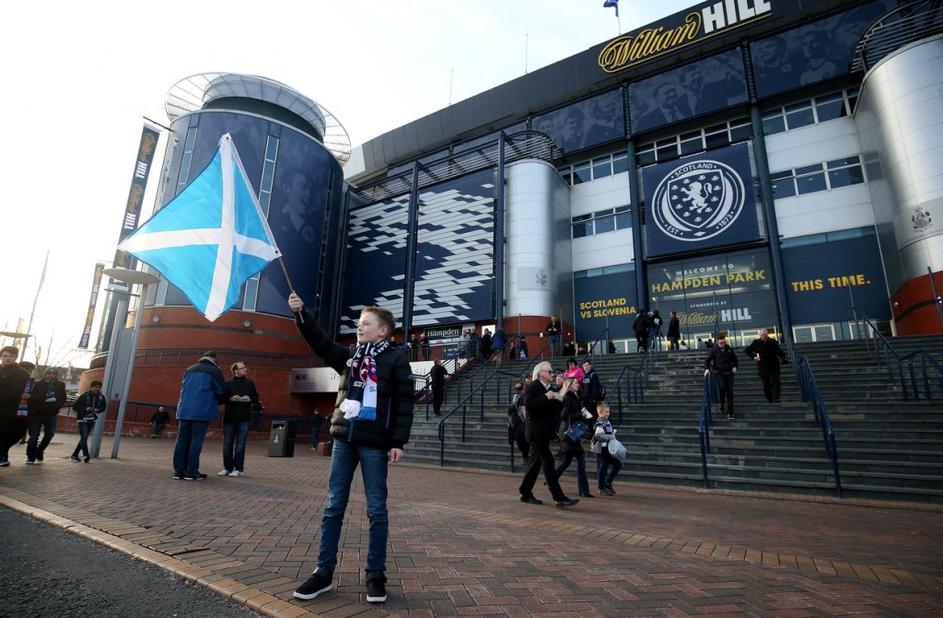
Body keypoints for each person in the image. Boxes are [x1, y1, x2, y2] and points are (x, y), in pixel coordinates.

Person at [288, 293, 413, 604]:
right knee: (333, 507)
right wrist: (301, 314)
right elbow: (320, 343)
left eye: (365, 324)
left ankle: (375, 574)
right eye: (358, 324)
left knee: (376, 510)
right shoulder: (350, 356)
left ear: (384, 330)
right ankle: (323, 572)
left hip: (375, 443)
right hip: (344, 439)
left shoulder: (396, 359)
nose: (359, 328)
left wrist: (397, 441)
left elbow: (403, 405)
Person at [517, 361, 579, 508]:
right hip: (536, 433)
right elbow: (530, 404)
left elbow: (553, 410)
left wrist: (560, 397)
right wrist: (548, 396)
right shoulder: (533, 386)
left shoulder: (548, 388)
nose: (552, 374)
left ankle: (525, 492)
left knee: (535, 463)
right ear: (541, 373)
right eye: (549, 372)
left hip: (543, 432)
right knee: (548, 462)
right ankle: (559, 497)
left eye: (552, 372)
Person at [172, 351, 225, 481]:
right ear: (214, 359)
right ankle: (191, 471)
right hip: (201, 411)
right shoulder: (214, 371)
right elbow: (221, 391)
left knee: (181, 440)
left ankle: (179, 471)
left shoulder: (189, 369)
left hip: (184, 410)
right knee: (196, 441)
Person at [218, 361, 259, 477]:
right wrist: (230, 398)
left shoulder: (250, 383)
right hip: (229, 418)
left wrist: (249, 399)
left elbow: (256, 397)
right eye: (242, 368)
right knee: (227, 444)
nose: (245, 369)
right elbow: (220, 398)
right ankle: (227, 468)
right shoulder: (227, 383)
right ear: (236, 370)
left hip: (244, 418)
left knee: (240, 445)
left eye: (245, 367)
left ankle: (238, 469)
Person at [555, 378, 594, 498]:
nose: (578, 384)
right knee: (580, 459)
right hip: (569, 434)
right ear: (570, 385)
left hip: (572, 434)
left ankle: (551, 479)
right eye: (576, 383)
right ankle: (584, 490)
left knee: (566, 461)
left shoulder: (575, 396)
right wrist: (581, 414)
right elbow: (564, 415)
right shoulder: (568, 397)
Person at [26, 367, 65, 464]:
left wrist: (57, 406)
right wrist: (42, 400)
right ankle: (30, 457)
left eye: (54, 374)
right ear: (45, 374)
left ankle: (40, 451)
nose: (51, 375)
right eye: (49, 373)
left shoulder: (60, 385)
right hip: (36, 414)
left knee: (50, 434)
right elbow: (32, 398)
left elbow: (63, 398)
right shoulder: (37, 384)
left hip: (51, 414)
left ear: (56, 375)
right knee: (34, 436)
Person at [0, 347, 30, 468]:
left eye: (11, 356)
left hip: (8, 411)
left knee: (12, 435)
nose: (7, 358)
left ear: (16, 357)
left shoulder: (20, 373)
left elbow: (14, 393)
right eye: (5, 355)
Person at [744, 329, 788, 404]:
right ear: (759, 335)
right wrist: (754, 356)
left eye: (765, 334)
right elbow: (747, 350)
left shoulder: (773, 342)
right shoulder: (756, 342)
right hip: (763, 366)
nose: (764, 336)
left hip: (774, 365)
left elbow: (778, 351)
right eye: (762, 335)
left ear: (767, 334)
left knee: (776, 381)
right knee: (766, 383)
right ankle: (770, 399)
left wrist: (783, 356)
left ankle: (776, 398)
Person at [70, 380, 106, 463]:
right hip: (82, 419)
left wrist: (98, 410)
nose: (97, 389)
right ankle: (86, 455)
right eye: (95, 387)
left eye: (99, 387)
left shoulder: (101, 397)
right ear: (91, 387)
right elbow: (75, 407)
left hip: (92, 419)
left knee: (84, 437)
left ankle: (74, 455)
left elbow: (103, 407)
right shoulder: (84, 396)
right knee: (85, 436)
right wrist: (86, 408)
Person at [704, 336, 738, 420]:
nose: (722, 344)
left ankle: (730, 412)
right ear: (717, 343)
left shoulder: (730, 349)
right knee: (722, 388)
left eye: (724, 342)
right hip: (719, 373)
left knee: (730, 391)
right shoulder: (714, 350)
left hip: (729, 372)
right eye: (720, 343)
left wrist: (735, 367)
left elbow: (735, 360)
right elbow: (707, 360)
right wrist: (706, 369)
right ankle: (722, 404)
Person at [593, 402, 622, 495]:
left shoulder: (606, 421)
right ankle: (602, 487)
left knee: (617, 465)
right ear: (600, 412)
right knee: (604, 468)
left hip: (608, 448)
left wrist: (612, 433)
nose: (608, 413)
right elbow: (599, 436)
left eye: (608, 412)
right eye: (606, 412)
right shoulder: (600, 422)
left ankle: (607, 483)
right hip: (603, 449)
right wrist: (611, 436)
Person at [507, 382, 529, 462]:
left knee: (523, 438)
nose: (519, 391)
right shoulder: (516, 397)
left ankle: (525, 454)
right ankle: (525, 455)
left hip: (522, 423)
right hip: (519, 423)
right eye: (517, 389)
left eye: (520, 389)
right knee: (521, 438)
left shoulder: (525, 396)